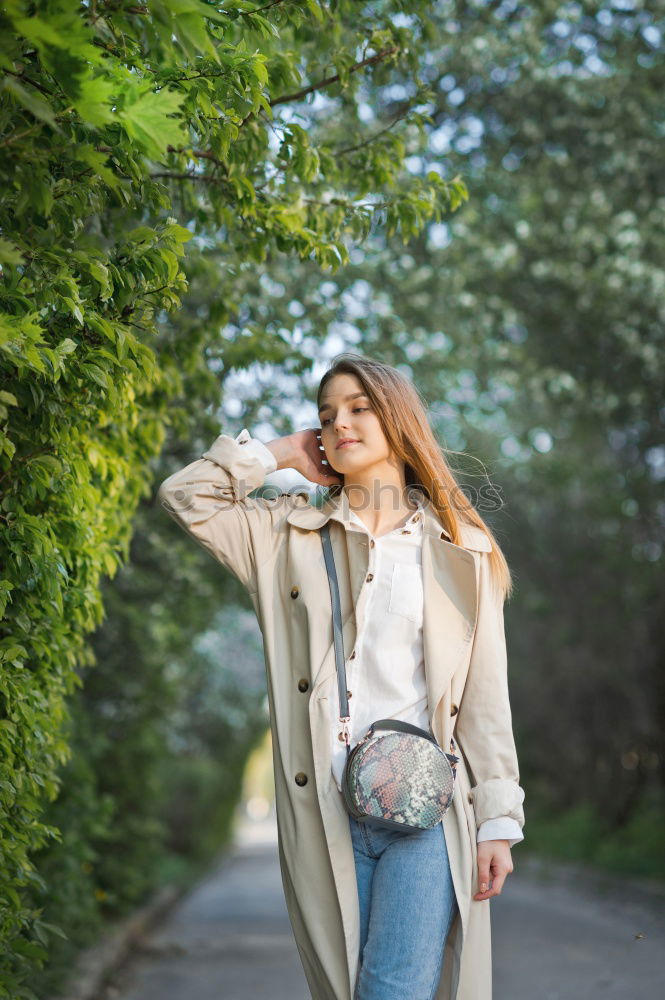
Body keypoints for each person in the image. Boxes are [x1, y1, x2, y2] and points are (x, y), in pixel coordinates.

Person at [157, 352, 525, 1000]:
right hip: (324, 804)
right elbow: (185, 496)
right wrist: (277, 454)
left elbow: (484, 697)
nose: (340, 424)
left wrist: (496, 820)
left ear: (398, 419)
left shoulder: (458, 546)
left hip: (426, 807)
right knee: (343, 989)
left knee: (391, 991)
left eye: (359, 408)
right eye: (327, 414)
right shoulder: (285, 534)